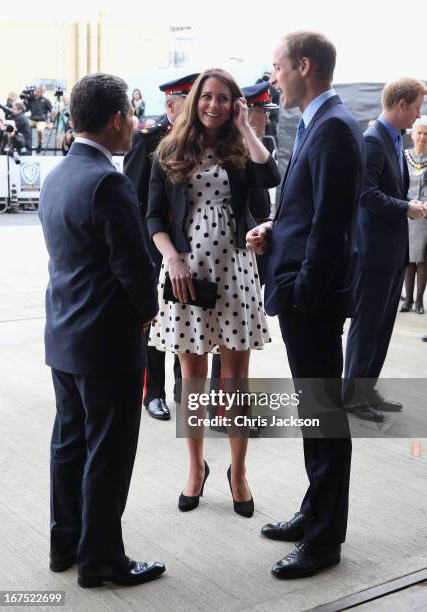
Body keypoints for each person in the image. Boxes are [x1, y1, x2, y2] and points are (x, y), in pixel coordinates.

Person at [39, 73, 165, 588]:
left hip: (64, 336)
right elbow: (134, 269)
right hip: (107, 340)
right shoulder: (108, 181)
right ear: (117, 119)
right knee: (108, 451)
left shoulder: (58, 175)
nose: (135, 125)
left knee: (70, 444)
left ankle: (65, 543)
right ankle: (102, 559)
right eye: (131, 116)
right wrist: (146, 312)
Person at [248, 31, 365, 579]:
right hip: (301, 289)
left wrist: (303, 292)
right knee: (313, 413)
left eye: (277, 68)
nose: (273, 78)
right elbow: (307, 211)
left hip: (311, 300)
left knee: (323, 419)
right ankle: (314, 512)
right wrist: (275, 226)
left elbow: (333, 226)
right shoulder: (318, 121)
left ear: (304, 65)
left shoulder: (336, 127)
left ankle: (323, 541)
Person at [147, 67, 280, 516]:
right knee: (192, 381)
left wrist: (245, 126)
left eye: (224, 99)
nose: (213, 105)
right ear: (194, 100)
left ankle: (238, 473)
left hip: (236, 272)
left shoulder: (242, 148)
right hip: (186, 274)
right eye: (207, 97)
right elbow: (153, 218)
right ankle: (194, 468)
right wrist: (172, 257)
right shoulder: (169, 148)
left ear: (234, 104)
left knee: (235, 383)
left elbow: (270, 179)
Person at [345, 78, 427, 422]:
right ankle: (351, 396)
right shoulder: (372, 141)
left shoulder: (393, 139)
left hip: (392, 250)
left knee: (383, 325)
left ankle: (367, 388)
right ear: (402, 105)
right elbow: (365, 194)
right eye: (418, 105)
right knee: (366, 325)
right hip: (374, 251)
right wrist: (406, 206)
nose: (420, 114)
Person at [124, 74, 199, 420]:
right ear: (170, 105)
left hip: (194, 248)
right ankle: (152, 392)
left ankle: (185, 390)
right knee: (155, 323)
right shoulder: (148, 140)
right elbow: (133, 201)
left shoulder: (203, 140)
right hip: (154, 247)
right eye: (190, 97)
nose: (200, 103)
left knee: (190, 319)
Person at [208, 81, 279, 437]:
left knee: (237, 335)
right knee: (228, 334)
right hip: (229, 250)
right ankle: (224, 410)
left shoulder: (256, 145)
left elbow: (268, 181)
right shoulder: (225, 148)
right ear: (243, 112)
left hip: (252, 248)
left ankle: (226, 406)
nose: (265, 121)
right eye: (260, 113)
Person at [400, 116, 427, 314]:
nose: (423, 137)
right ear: (412, 134)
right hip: (409, 214)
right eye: (419, 132)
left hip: (426, 217)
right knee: (409, 259)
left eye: (426, 134)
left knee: (423, 259)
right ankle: (407, 300)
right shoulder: (404, 155)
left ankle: (419, 301)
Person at [25, 85, 52, 153]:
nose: (39, 92)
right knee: (24, 123)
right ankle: (26, 144)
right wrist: (26, 100)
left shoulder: (46, 100)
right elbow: (25, 109)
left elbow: (52, 111)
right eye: (38, 91)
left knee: (40, 130)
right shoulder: (31, 99)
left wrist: (51, 122)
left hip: (42, 121)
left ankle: (39, 145)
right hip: (32, 119)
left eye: (41, 91)